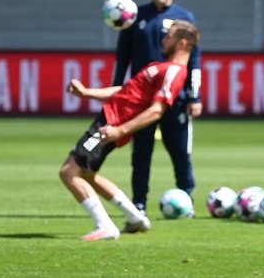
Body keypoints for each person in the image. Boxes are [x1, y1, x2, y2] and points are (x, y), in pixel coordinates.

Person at [59, 20, 200, 241]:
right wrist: (87, 93)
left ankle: (105, 225)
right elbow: (126, 91)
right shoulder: (162, 67)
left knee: (68, 172)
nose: (163, 39)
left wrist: (119, 130)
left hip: (111, 124)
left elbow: (156, 111)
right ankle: (135, 218)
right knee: (87, 174)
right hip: (110, 120)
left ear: (181, 42)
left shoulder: (174, 72)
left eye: (168, 35)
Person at [111, 0, 202, 215]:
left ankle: (186, 198)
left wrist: (195, 96)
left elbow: (194, 60)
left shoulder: (185, 18)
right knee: (141, 154)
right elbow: (122, 58)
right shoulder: (135, 17)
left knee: (180, 153)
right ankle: (139, 202)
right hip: (141, 99)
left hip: (175, 98)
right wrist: (118, 90)